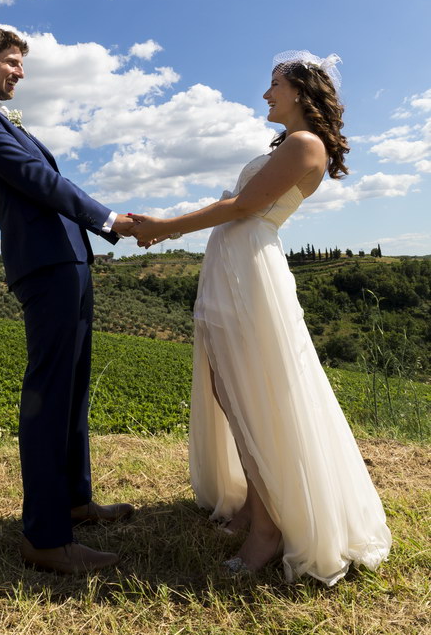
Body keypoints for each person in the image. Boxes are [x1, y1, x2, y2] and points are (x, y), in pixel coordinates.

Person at [129, 50, 391, 584]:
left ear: (299, 90)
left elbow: (244, 207)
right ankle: (255, 504)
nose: (267, 94)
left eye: (275, 84)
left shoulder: (304, 144)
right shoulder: (288, 144)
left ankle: (268, 532)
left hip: (251, 274)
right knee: (232, 391)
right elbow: (239, 204)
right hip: (233, 268)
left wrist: (165, 225)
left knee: (251, 393)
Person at [0, 26, 135, 575]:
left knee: (73, 389)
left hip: (69, 260)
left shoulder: (1, 118)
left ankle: (74, 501)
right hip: (46, 264)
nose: (20, 72)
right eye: (11, 61)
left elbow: (44, 175)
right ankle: (46, 537)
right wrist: (108, 219)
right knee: (49, 395)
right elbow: (34, 177)